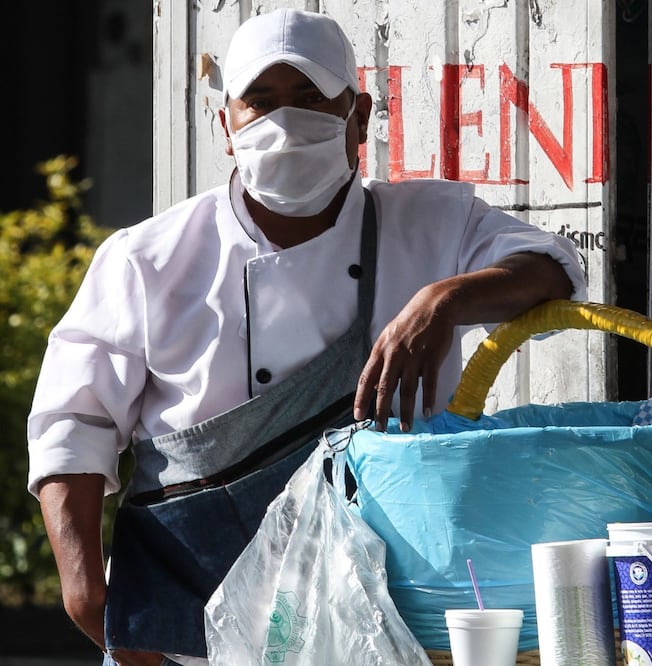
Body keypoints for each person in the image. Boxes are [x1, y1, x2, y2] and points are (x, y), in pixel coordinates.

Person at [27, 8, 586, 666]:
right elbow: (72, 427)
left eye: (311, 100)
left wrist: (445, 299)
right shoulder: (147, 260)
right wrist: (89, 598)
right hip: (185, 630)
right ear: (226, 127)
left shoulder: (432, 221)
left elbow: (554, 269)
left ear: (360, 115)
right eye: (260, 103)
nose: (285, 124)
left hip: (385, 626)